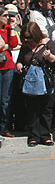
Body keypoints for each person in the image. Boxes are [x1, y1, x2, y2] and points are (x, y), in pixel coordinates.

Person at [16, 22, 55, 146]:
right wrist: (19, 64)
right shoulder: (26, 46)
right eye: (25, 37)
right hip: (31, 83)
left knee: (46, 109)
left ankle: (45, 135)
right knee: (32, 110)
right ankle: (33, 136)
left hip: (47, 81)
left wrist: (49, 57)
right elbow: (21, 59)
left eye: (30, 37)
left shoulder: (47, 43)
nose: (27, 40)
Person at [0, 8, 19, 138]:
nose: (8, 18)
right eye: (5, 15)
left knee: (6, 99)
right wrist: (6, 45)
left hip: (8, 66)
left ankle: (4, 127)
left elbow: (13, 43)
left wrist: (12, 28)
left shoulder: (7, 28)